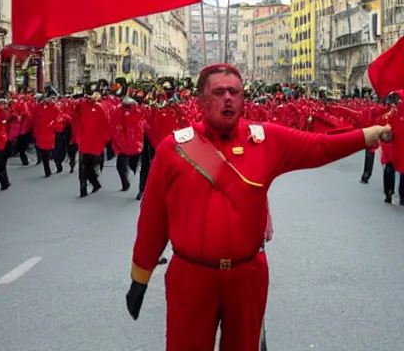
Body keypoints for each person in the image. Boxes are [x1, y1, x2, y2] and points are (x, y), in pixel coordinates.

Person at [126, 63, 391, 351]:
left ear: (242, 98)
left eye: (234, 92)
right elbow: (152, 220)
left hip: (247, 276)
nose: (228, 98)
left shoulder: (264, 140)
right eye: (218, 92)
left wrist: (371, 133)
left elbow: (319, 147)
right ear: (201, 100)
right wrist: (140, 277)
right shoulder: (173, 148)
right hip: (190, 277)